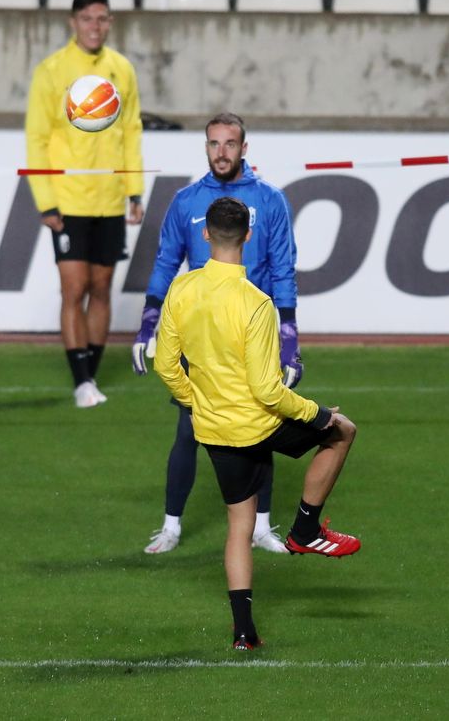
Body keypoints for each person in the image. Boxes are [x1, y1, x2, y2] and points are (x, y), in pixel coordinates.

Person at [153, 196, 359, 651]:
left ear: (205, 234)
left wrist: (198, 401)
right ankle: (306, 528)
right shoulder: (256, 303)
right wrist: (320, 414)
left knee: (239, 526)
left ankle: (244, 632)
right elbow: (267, 391)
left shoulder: (182, 290)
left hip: (213, 430)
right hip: (257, 424)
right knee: (343, 432)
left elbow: (167, 366)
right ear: (249, 235)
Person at [131, 113, 301, 555]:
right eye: (213, 143)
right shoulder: (187, 202)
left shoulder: (272, 201)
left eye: (229, 143)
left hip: (253, 333)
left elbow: (283, 270)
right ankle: (171, 525)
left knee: (263, 427)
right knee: (188, 431)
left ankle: (261, 526)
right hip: (202, 335)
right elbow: (168, 262)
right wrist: (148, 324)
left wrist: (290, 344)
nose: (221, 151)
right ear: (205, 147)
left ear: (244, 149)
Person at [25, 0, 144, 408]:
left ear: (110, 23)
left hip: (110, 200)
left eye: (103, 19)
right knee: (73, 288)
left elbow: (131, 132)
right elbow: (37, 139)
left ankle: (90, 377)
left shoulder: (121, 70)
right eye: (88, 18)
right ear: (73, 22)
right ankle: (81, 381)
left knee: (102, 286)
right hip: (68, 201)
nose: (96, 26)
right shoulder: (52, 71)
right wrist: (46, 200)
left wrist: (134, 190)